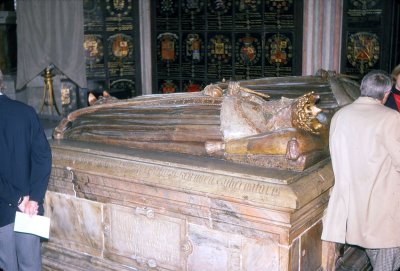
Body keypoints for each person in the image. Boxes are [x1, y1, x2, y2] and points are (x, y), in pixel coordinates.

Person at [321, 70, 400, 270]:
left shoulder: (340, 115)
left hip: (351, 208)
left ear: (363, 89)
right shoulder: (392, 118)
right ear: (386, 94)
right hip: (383, 213)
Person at [0, 70, 52, 271]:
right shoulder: (25, 112)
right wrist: (34, 200)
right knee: (31, 265)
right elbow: (43, 157)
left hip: (4, 209)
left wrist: (18, 200)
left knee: (7, 266)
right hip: (29, 211)